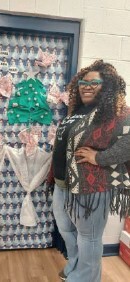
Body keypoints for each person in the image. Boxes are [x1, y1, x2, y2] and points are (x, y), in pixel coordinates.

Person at [52, 60, 130, 282]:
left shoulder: (115, 112)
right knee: (66, 229)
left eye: (94, 82)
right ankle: (75, 264)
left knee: (89, 237)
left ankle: (87, 277)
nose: (86, 86)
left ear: (107, 86)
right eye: (83, 83)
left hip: (91, 186)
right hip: (62, 184)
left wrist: (100, 157)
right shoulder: (77, 111)